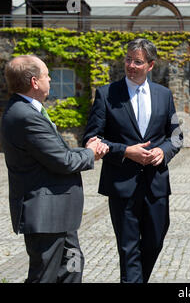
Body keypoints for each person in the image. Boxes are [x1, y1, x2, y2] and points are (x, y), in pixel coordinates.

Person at [0, 55, 109, 283]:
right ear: (34, 82)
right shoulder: (25, 116)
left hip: (59, 215)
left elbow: (55, 154)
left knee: (72, 266)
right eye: (47, 74)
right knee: (45, 276)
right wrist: (91, 153)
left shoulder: (28, 111)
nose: (50, 78)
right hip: (45, 217)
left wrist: (85, 150)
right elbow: (63, 160)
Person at [82, 38, 183, 283]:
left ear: (150, 65)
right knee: (128, 249)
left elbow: (177, 136)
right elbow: (92, 138)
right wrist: (126, 151)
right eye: (128, 59)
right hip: (121, 184)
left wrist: (163, 152)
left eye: (137, 62)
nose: (131, 65)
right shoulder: (106, 94)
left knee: (155, 241)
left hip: (155, 183)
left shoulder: (164, 94)